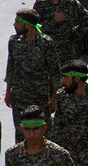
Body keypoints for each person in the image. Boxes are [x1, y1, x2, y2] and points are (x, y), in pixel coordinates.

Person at [5, 9, 61, 142]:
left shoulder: (46, 43)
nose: (14, 25)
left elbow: (55, 71)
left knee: (43, 134)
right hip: (19, 97)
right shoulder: (14, 42)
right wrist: (8, 92)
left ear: (28, 25)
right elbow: (10, 67)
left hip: (40, 98)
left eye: (17, 22)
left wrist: (54, 98)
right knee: (21, 134)